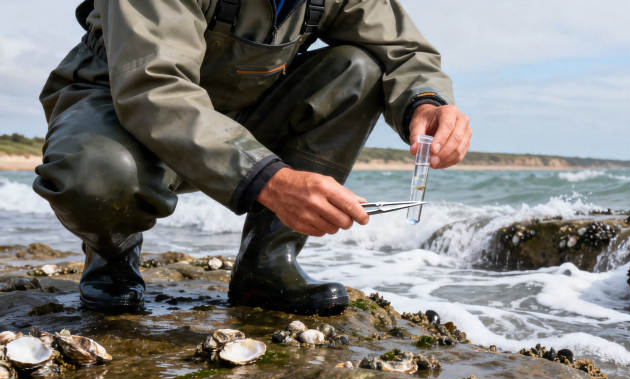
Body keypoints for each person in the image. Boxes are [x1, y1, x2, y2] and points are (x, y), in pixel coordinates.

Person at [33, 0, 471, 316]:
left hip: (245, 110)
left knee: (358, 67)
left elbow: (404, 51)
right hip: (122, 106)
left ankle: (267, 267)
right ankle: (112, 256)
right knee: (95, 177)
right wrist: (270, 180)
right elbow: (155, 88)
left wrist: (425, 102)